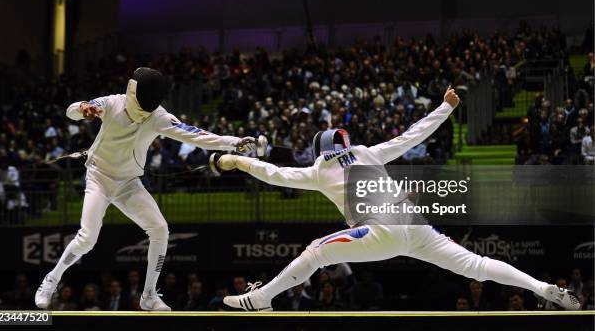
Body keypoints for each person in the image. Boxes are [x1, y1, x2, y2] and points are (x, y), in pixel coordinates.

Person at [214, 87, 581, 311]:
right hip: (415, 226)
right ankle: (540, 287)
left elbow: (274, 174)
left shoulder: (317, 170)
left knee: (316, 249)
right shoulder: (368, 152)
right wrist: (446, 107)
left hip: (380, 232)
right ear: (343, 142)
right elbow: (411, 136)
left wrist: (235, 160)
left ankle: (263, 298)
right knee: (477, 264)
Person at [35, 68, 258, 311]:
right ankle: (52, 279)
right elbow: (71, 111)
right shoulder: (112, 103)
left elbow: (195, 135)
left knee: (160, 229)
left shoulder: (158, 117)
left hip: (129, 182)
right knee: (88, 238)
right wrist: (82, 108)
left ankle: (149, 295)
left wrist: (234, 143)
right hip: (99, 178)